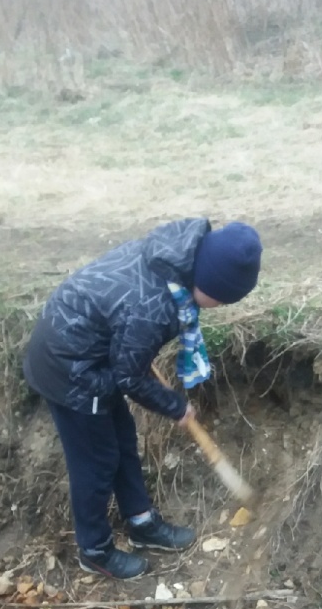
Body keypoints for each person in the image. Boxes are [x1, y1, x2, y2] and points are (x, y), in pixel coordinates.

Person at [23, 217, 262, 579]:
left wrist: (132, 349)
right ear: (208, 281)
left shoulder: (171, 262)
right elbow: (129, 376)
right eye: (222, 298)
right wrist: (175, 406)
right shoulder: (153, 308)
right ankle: (95, 550)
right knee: (96, 463)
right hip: (67, 367)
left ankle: (141, 523)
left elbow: (127, 353)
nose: (220, 305)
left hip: (96, 354)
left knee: (123, 443)